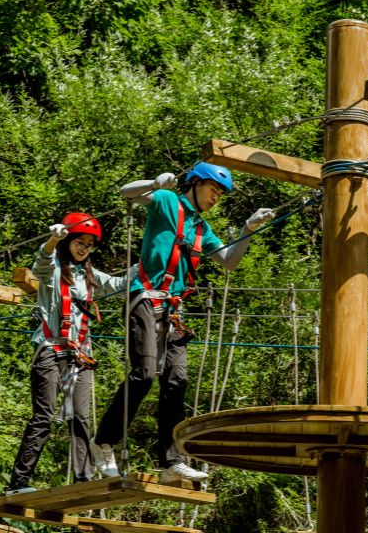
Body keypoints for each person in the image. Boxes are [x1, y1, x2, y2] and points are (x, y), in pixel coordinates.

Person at [91, 162, 274, 483]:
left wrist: (247, 230)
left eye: (221, 194)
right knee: (144, 374)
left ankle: (171, 463)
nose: (216, 197)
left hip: (174, 310)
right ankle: (104, 443)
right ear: (194, 184)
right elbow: (127, 193)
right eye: (212, 189)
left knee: (176, 382)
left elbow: (229, 261)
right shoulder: (167, 201)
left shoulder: (202, 229)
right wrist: (155, 182)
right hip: (146, 297)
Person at [6, 213, 132, 494]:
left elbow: (119, 285)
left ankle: (83, 480)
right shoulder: (53, 271)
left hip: (80, 356)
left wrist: (148, 264)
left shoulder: (89, 276)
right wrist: (54, 239)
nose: (84, 248)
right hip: (51, 350)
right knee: (44, 416)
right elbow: (41, 262)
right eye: (80, 241)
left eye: (89, 244)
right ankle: (19, 483)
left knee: (81, 418)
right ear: (69, 241)